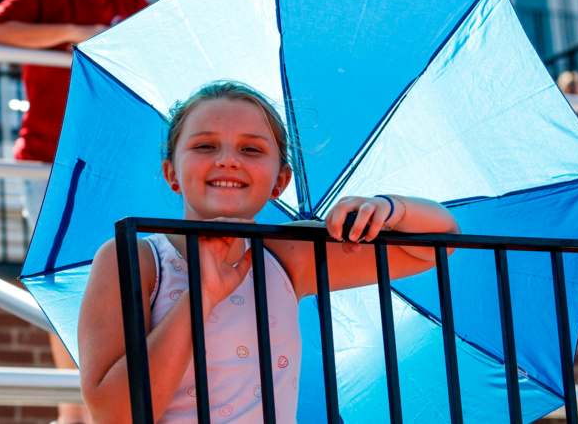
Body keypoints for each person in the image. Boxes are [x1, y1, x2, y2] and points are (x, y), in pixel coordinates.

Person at [78, 81, 460, 423]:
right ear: (172, 173)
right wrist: (202, 297)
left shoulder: (286, 253)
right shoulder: (134, 258)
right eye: (205, 145)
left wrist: (391, 208)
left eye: (251, 149)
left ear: (280, 181)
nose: (228, 159)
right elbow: (115, 415)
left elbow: (435, 248)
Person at [0, 0, 148, 424]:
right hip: (48, 162)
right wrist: (70, 32)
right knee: (61, 281)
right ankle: (73, 411)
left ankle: (96, 405)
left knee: (118, 284)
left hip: (112, 163)